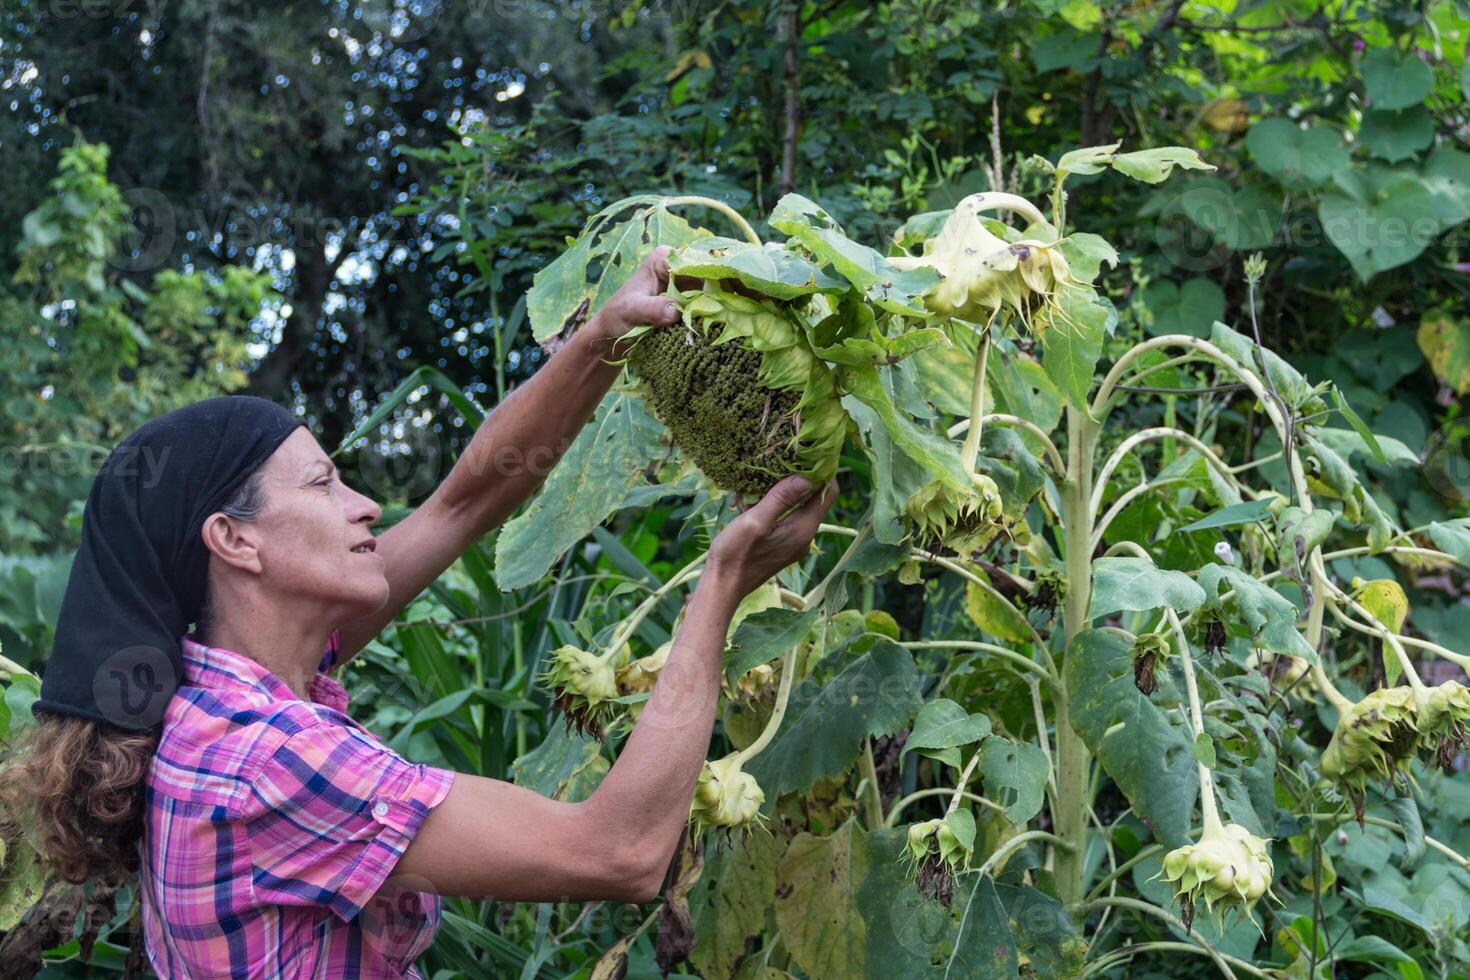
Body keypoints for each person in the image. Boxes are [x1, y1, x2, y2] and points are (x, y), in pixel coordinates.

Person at [3, 248, 838, 978]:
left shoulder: (221, 694)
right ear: (234, 541)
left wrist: (599, 341)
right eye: (325, 485)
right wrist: (725, 580)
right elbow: (618, 852)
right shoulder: (267, 761)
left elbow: (464, 503)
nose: (366, 507)